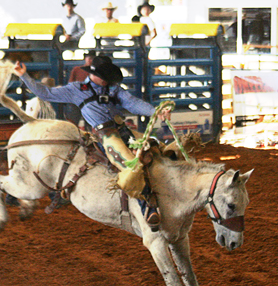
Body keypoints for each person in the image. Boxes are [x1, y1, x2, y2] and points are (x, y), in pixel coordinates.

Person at [13, 55, 170, 230]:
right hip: (106, 135)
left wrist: (154, 111)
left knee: (156, 149)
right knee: (131, 166)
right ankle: (148, 209)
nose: (106, 80)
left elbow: (131, 103)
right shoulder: (76, 89)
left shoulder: (113, 88)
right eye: (104, 76)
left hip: (123, 130)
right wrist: (24, 76)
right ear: (94, 75)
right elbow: (46, 93)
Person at [65, 51, 96, 127]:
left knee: (88, 123)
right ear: (85, 59)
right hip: (79, 99)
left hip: (88, 99)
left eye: (92, 59)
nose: (90, 60)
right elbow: (70, 84)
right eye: (88, 58)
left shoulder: (95, 71)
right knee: (74, 121)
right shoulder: (77, 69)